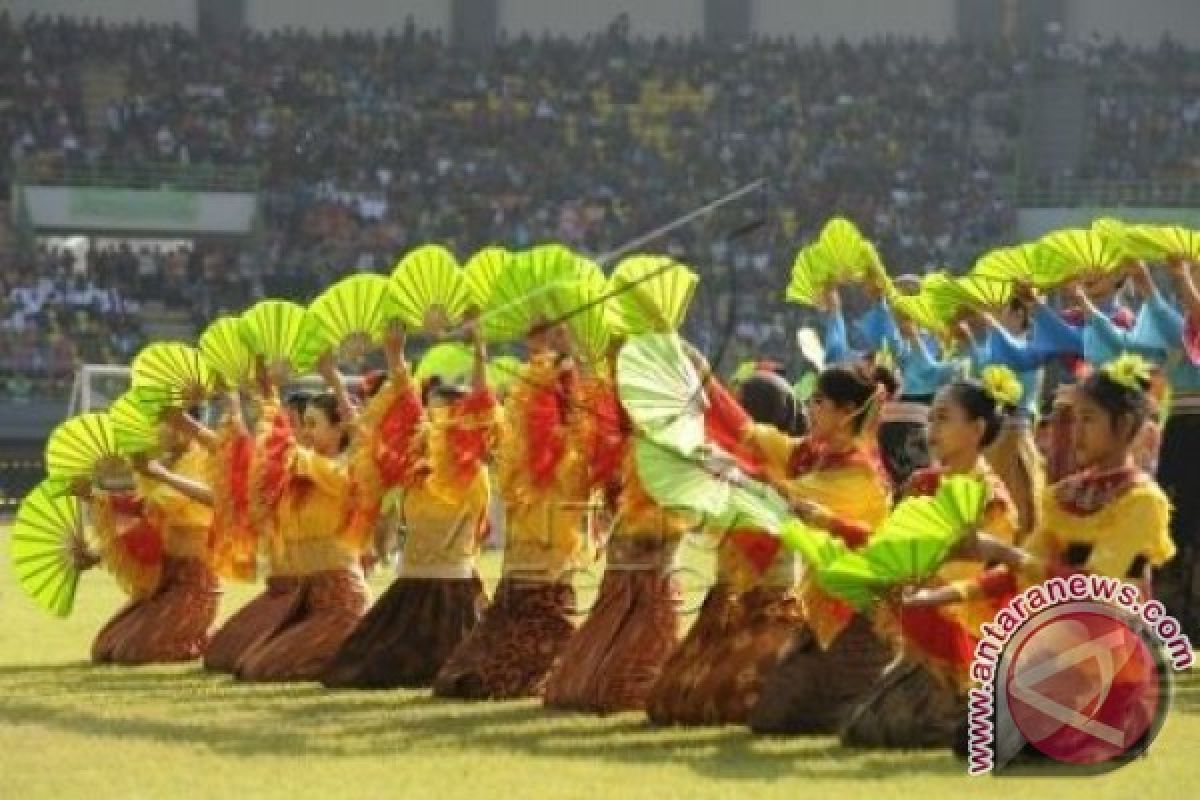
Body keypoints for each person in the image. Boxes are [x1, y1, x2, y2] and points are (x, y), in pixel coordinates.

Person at [706, 362, 895, 734]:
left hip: (857, 618)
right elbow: (753, 434)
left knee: (822, 717)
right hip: (822, 613)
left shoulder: (857, 473)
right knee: (771, 716)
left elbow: (788, 499)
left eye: (818, 401)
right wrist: (704, 380)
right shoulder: (813, 454)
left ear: (845, 412)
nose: (808, 407)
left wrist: (733, 471)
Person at [840, 374, 1020, 749]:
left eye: (943, 418)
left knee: (886, 730)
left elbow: (966, 579)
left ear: (976, 429)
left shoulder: (990, 497)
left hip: (963, 628)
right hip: (919, 623)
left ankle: (974, 701)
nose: (931, 428)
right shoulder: (922, 483)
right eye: (931, 418)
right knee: (863, 729)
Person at [321, 323, 496, 689]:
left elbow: (483, 407)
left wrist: (480, 349)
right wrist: (394, 356)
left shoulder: (471, 467)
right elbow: (395, 411)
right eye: (430, 414)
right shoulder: (414, 465)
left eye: (446, 413)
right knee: (351, 666)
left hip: (455, 594)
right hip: (411, 589)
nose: (434, 422)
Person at [433, 322, 594, 699]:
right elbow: (480, 408)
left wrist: (566, 352)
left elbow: (584, 401)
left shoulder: (574, 453)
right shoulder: (513, 452)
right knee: (461, 678)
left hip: (550, 589)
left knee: (503, 678)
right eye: (523, 402)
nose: (524, 410)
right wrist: (479, 348)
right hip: (513, 588)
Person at [646, 370, 808, 725]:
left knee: (728, 698)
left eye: (740, 403)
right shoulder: (729, 461)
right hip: (726, 605)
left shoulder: (788, 460)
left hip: (770, 607)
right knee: (668, 699)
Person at [234, 355, 371, 682]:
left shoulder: (342, 471)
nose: (305, 433)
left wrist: (333, 381)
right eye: (303, 424)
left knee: (263, 669)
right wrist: (265, 393)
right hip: (304, 597)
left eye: (313, 425)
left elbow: (361, 438)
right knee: (243, 663)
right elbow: (275, 451)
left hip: (340, 598)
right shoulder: (298, 474)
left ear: (338, 429)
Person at [82, 411, 220, 664]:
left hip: (194, 584)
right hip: (165, 581)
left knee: (132, 653)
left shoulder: (203, 461)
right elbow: (140, 516)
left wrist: (158, 474)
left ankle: (204, 638)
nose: (158, 431)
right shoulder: (161, 467)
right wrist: (90, 495)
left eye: (163, 424)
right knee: (105, 648)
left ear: (181, 426)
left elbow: (208, 498)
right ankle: (192, 634)